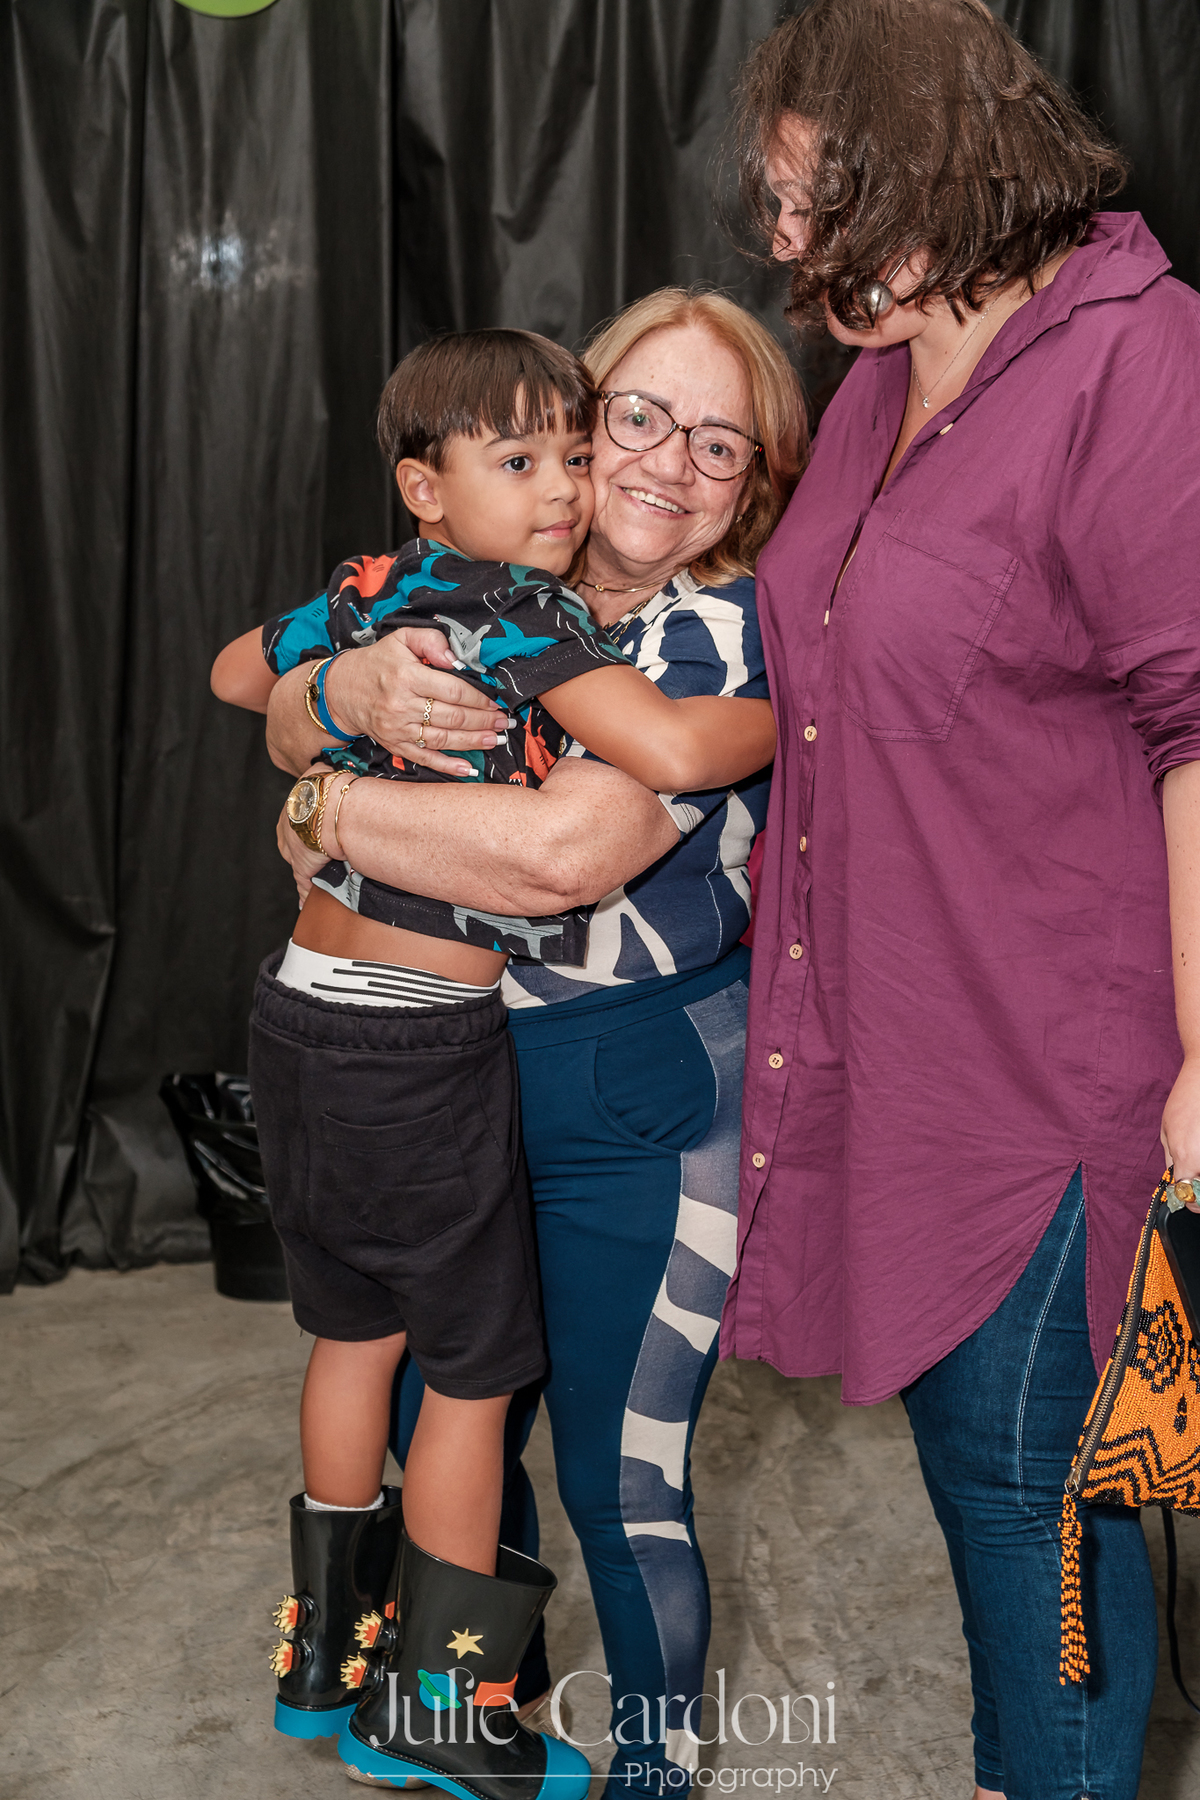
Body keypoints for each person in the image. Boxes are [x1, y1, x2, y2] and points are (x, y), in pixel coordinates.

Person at [720, 5, 1200, 1799]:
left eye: (822, 201)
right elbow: (831, 669)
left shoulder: (1136, 354)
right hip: (896, 1034)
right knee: (986, 1490)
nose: (790, 245)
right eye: (776, 203)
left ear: (949, 164)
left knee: (1030, 1505)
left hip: (1054, 1054)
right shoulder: (886, 367)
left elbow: (1199, 725)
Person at [210, 326, 776, 1791]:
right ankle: (448, 1713)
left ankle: (332, 1668)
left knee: (374, 1348)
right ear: (431, 480)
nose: (598, 477)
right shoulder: (518, 608)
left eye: (717, 444)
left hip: (326, 1019)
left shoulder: (394, 583)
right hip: (424, 1047)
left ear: (757, 480)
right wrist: (340, 704)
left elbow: (246, 684)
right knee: (466, 1388)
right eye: (618, 425)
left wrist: (322, 765)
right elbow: (663, 751)